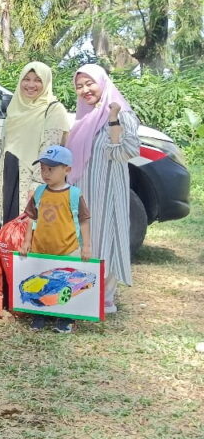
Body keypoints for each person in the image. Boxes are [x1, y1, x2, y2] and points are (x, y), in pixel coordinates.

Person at [67, 64, 139, 314]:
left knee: (105, 238)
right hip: (82, 192)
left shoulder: (122, 114)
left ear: (103, 82)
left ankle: (105, 298)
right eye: (79, 86)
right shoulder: (83, 118)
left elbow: (127, 152)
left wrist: (113, 119)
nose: (85, 90)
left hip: (107, 192)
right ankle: (83, 293)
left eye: (90, 83)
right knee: (82, 239)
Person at [17, 145, 92, 333]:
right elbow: (32, 219)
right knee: (42, 282)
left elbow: (84, 221)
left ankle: (66, 318)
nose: (45, 173)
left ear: (67, 170)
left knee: (66, 284)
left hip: (68, 249)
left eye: (51, 169)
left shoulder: (74, 194)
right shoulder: (39, 192)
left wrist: (86, 246)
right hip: (41, 249)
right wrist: (27, 242)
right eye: (42, 169)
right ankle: (39, 314)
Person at [0, 62, 69, 224]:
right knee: (8, 230)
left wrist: (37, 185)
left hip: (30, 178)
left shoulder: (53, 109)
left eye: (38, 80)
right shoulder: (14, 108)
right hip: (9, 174)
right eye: (26, 79)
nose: (31, 85)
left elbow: (50, 151)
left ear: (46, 82)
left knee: (27, 229)